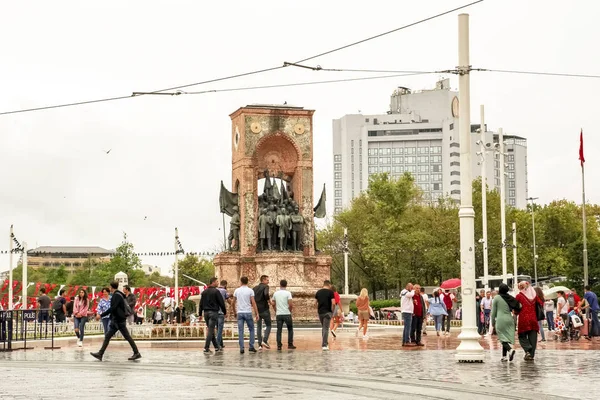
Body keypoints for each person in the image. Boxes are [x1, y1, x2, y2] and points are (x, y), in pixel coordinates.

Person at [90, 281, 141, 361]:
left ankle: (136, 353)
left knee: (127, 337)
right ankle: (100, 353)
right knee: (107, 336)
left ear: (111, 287)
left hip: (119, 320)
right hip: (116, 320)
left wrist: (101, 315)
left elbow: (113, 308)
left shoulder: (116, 295)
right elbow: (115, 309)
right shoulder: (118, 294)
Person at [492, 283, 522, 362]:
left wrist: (492, 323)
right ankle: (504, 356)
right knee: (505, 337)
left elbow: (493, 312)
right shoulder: (509, 297)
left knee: (502, 338)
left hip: (500, 319)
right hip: (509, 319)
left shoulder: (496, 298)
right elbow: (520, 305)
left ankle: (510, 350)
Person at [515, 281, 542, 360]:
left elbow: (516, 308)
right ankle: (531, 355)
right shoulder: (534, 296)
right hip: (533, 319)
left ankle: (527, 348)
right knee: (533, 338)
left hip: (523, 319)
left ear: (520, 287)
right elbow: (540, 304)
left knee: (521, 336)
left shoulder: (519, 296)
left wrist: (515, 312)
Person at [199, 277, 227, 353]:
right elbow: (221, 302)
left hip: (206, 313)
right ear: (213, 282)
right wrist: (224, 312)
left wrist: (200, 314)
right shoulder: (216, 292)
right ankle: (206, 347)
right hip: (213, 313)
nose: (218, 283)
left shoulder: (204, 292)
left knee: (211, 330)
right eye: (217, 282)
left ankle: (216, 346)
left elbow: (201, 304)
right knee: (211, 330)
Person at [232, 276, 259, 354]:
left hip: (240, 312)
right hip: (248, 312)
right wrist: (257, 313)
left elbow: (233, 302)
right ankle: (251, 346)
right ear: (247, 282)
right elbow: (253, 302)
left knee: (240, 330)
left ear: (241, 281)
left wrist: (234, 311)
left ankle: (241, 347)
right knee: (251, 329)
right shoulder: (250, 290)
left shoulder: (237, 291)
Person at [272, 279, 295, 350]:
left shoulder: (275, 293)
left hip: (279, 314)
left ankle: (279, 345)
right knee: (290, 329)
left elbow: (273, 304)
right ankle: (290, 344)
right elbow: (290, 304)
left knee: (279, 330)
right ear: (286, 285)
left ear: (280, 285)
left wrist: (276, 310)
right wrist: (290, 310)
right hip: (287, 313)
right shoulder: (288, 293)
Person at [315, 280, 335, 351]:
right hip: (327, 312)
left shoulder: (318, 292)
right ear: (329, 285)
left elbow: (315, 303)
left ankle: (325, 342)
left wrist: (318, 309)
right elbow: (333, 303)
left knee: (323, 328)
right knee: (326, 328)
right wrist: (332, 310)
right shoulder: (331, 292)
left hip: (320, 312)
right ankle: (324, 345)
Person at [253, 275, 272, 349]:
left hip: (257, 309)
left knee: (259, 326)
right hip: (264, 309)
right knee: (268, 325)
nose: (268, 281)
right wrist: (269, 301)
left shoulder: (254, 288)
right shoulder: (266, 287)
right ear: (263, 280)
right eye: (267, 280)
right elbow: (266, 294)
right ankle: (265, 340)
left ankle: (260, 344)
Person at [216, 280, 231, 348]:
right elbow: (228, 301)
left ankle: (221, 343)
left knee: (218, 328)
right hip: (221, 312)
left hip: (215, 312)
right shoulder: (224, 291)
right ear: (225, 285)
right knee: (220, 329)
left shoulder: (215, 290)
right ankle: (218, 344)